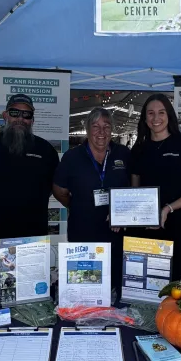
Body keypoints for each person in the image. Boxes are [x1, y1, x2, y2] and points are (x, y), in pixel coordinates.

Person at [52, 107, 130, 293]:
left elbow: (133, 189)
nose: (101, 132)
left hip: (116, 232)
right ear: (87, 130)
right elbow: (59, 190)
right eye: (95, 126)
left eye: (106, 126)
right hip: (83, 230)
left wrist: (121, 211)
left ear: (112, 129)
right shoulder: (73, 157)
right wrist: (77, 206)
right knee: (86, 285)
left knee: (115, 283)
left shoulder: (123, 154)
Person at [129, 94, 181, 281]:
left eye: (161, 112)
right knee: (143, 281)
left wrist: (168, 208)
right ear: (145, 118)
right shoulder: (138, 150)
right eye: (151, 113)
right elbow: (134, 192)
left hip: (176, 225)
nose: (156, 118)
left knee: (170, 282)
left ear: (169, 115)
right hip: (145, 228)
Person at [0, 94, 59, 246]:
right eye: (15, 113)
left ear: (32, 120)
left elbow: (51, 187)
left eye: (26, 114)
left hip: (34, 234)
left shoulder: (46, 150)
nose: (20, 119)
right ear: (5, 116)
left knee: (34, 270)